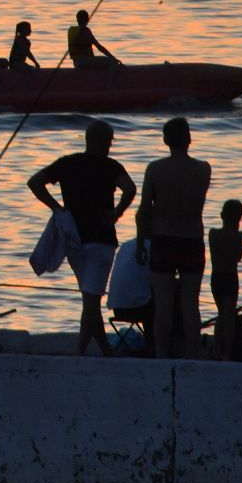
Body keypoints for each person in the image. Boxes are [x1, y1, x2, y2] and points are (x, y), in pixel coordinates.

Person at [29, 120, 135, 356]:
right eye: (109, 140)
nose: (110, 145)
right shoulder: (110, 166)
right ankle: (79, 354)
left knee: (91, 300)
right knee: (91, 302)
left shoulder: (68, 163)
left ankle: (106, 351)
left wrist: (57, 208)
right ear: (103, 141)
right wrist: (117, 213)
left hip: (75, 241)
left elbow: (35, 182)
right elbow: (130, 188)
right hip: (101, 240)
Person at [137, 116, 212, 359]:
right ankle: (193, 354)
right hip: (191, 240)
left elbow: (144, 210)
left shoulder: (155, 169)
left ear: (165, 140)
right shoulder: (203, 169)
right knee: (191, 304)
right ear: (189, 139)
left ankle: (161, 354)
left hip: (163, 240)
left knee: (164, 305)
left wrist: (140, 242)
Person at [210, 198, 242, 360]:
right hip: (231, 278)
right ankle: (227, 353)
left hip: (216, 278)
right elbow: (238, 258)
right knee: (229, 316)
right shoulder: (240, 237)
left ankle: (217, 350)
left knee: (221, 315)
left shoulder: (213, 234)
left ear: (221, 215)